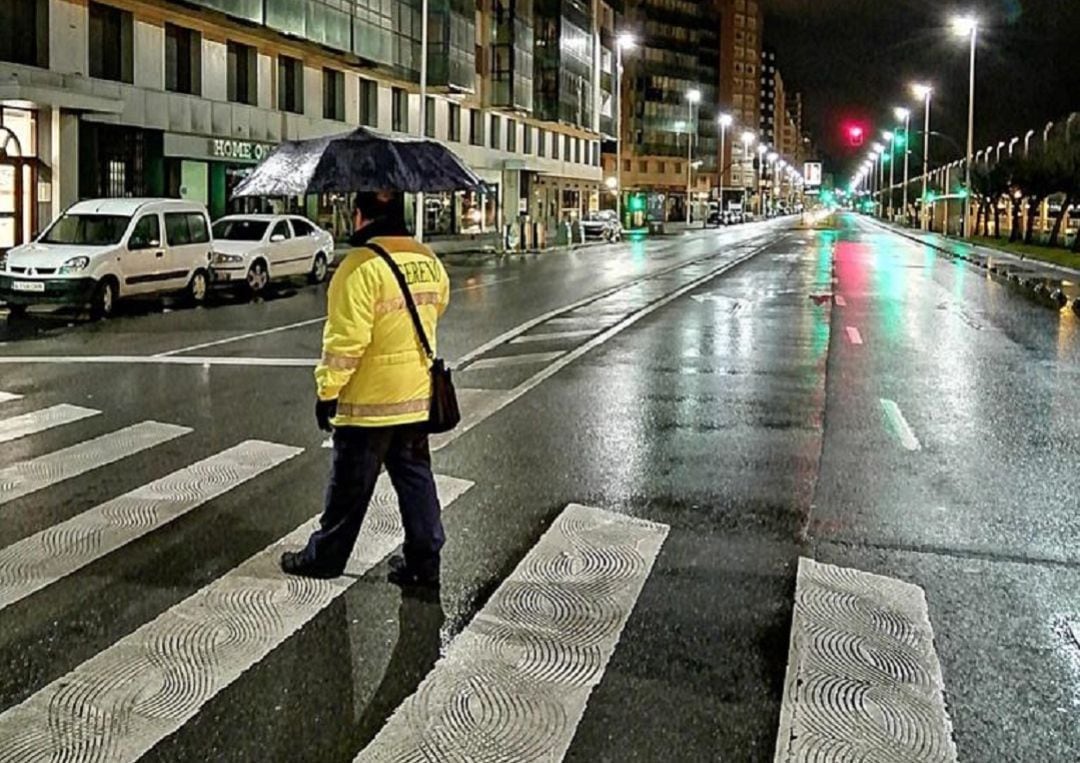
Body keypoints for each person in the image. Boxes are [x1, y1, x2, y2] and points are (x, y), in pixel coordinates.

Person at [280, 191, 450, 588]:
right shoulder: (428, 260)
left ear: (361, 217)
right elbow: (438, 306)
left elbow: (345, 342)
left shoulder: (358, 267)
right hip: (415, 397)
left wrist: (327, 391)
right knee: (416, 483)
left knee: (348, 489)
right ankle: (424, 563)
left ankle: (325, 557)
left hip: (368, 404)